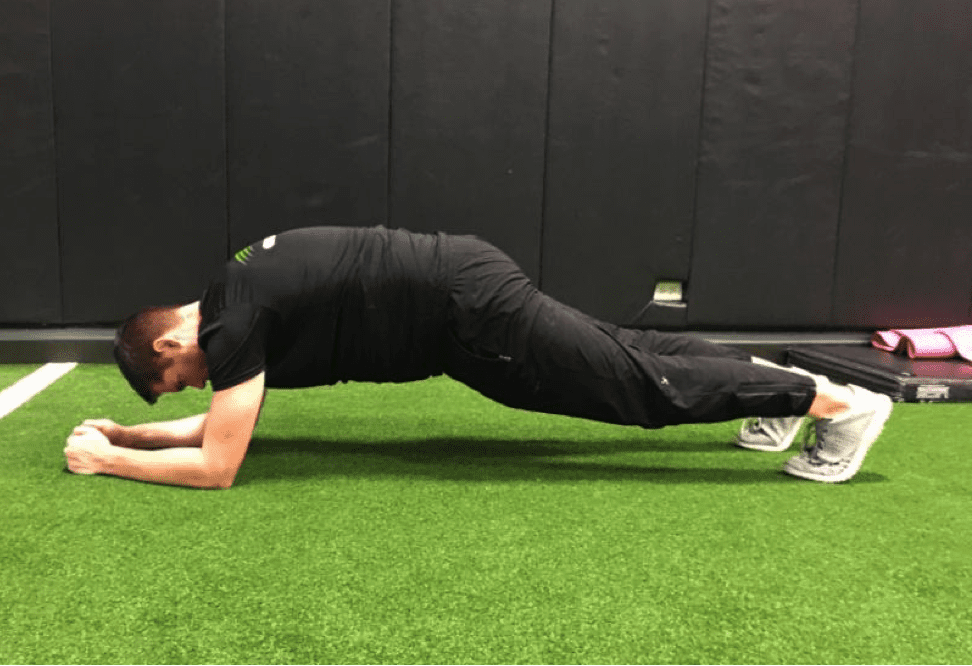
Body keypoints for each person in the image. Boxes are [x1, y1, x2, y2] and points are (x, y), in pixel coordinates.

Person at [64, 225, 893, 488]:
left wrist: (107, 465)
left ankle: (837, 407)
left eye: (183, 373)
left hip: (463, 311)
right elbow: (222, 425)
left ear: (171, 341)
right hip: (458, 301)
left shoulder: (230, 324)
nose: (201, 376)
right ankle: (778, 400)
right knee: (627, 351)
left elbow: (218, 465)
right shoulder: (235, 289)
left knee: (629, 385)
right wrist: (131, 437)